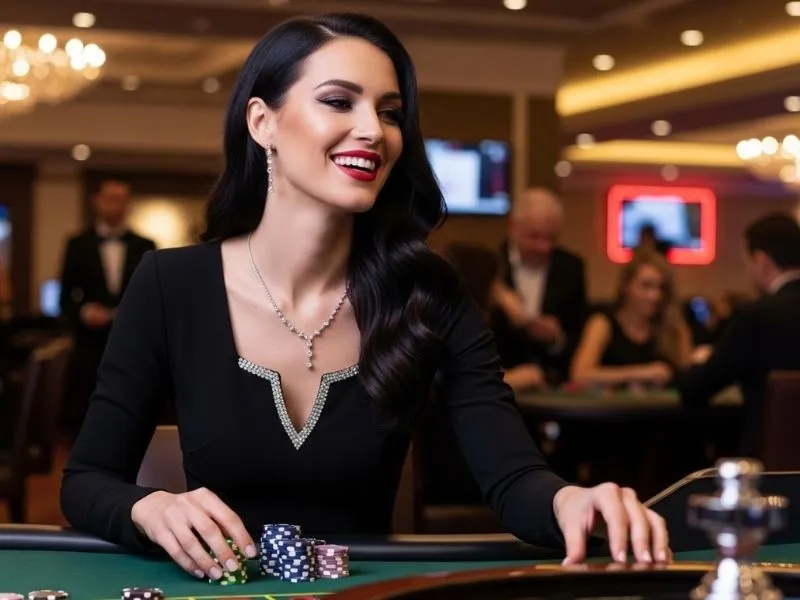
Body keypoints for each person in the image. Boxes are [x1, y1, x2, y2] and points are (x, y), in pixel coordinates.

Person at [60, 13, 669, 584]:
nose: (374, 130)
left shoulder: (428, 290)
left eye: (390, 112)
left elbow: (512, 478)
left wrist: (571, 499)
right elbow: (87, 481)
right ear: (261, 122)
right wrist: (150, 508)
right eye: (337, 101)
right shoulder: (170, 283)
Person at [676, 213, 800, 455]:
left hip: (769, 469)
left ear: (761, 260)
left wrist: (699, 361)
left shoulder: (755, 316)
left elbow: (695, 390)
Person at [58, 179, 156, 436]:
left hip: (132, 342)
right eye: (110, 198)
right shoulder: (78, 244)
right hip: (89, 344)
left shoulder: (145, 246)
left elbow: (153, 297)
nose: (116, 205)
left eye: (121, 199)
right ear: (97, 202)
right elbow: (65, 297)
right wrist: (83, 311)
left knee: (130, 405)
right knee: (85, 405)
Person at [491, 188, 587, 384]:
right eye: (534, 236)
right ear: (512, 227)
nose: (543, 247)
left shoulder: (571, 268)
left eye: (551, 238)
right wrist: (497, 293)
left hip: (550, 386)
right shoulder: (491, 265)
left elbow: (578, 336)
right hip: (500, 384)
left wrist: (556, 339)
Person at [570, 249, 693, 388]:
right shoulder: (602, 323)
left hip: (663, 409)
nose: (655, 296)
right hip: (615, 408)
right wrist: (641, 373)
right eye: (646, 286)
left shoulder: (675, 328)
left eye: (661, 288)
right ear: (626, 286)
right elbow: (580, 376)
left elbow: (688, 378)